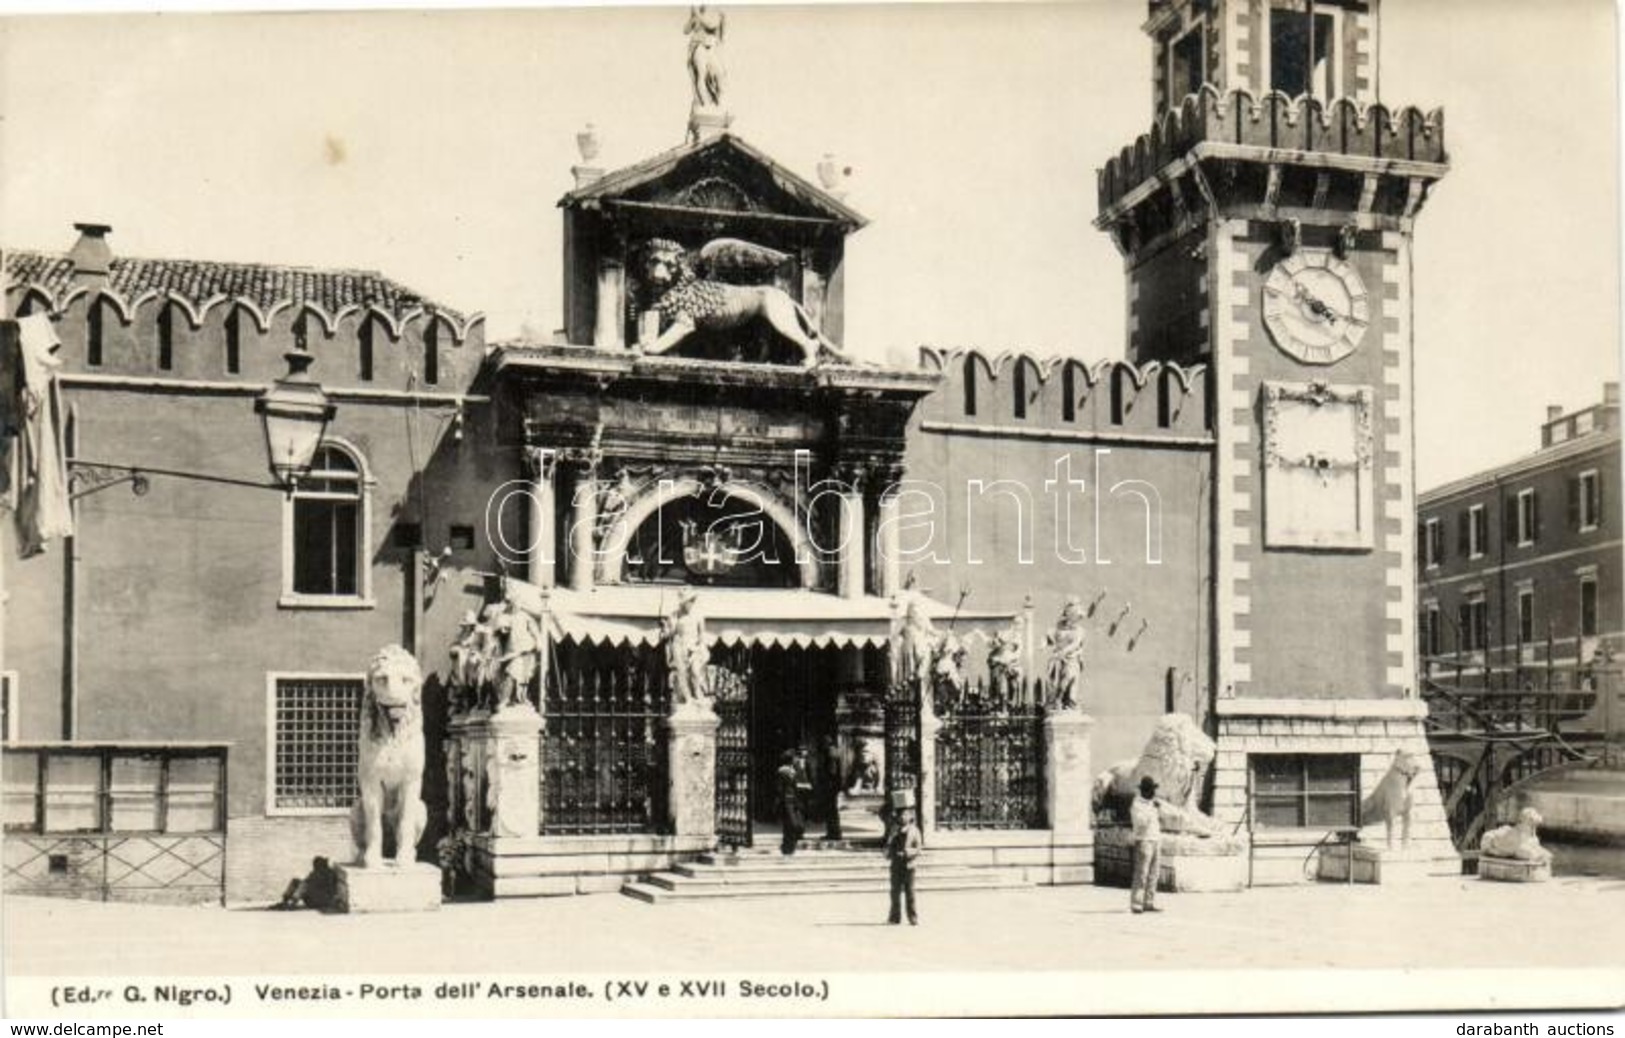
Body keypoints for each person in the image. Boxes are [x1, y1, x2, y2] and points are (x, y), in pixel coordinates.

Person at [886, 789, 922, 925]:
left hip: (909, 865)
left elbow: (918, 848)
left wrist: (907, 852)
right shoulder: (894, 830)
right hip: (895, 864)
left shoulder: (914, 831)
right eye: (900, 814)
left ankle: (913, 917)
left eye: (905, 814)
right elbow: (889, 845)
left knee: (910, 893)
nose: (902, 817)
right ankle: (894, 917)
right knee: (894, 892)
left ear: (910, 816)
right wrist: (889, 850)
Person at [1130, 775, 1163, 914]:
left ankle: (1149, 901)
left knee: (1154, 873)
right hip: (1143, 840)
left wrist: (1156, 808)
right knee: (1141, 873)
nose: (1154, 793)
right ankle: (1137, 903)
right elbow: (1141, 823)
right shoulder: (1137, 804)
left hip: (1155, 839)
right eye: (1151, 790)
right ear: (1145, 791)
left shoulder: (1152, 804)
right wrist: (1151, 809)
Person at [776, 749, 805, 855]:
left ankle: (789, 846)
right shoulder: (782, 771)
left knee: (797, 824)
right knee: (791, 824)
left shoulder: (796, 769)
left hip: (795, 799)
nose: (797, 759)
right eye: (795, 758)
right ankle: (787, 847)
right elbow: (779, 788)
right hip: (787, 800)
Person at [821, 734, 844, 840]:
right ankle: (834, 832)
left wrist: (827, 783)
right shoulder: (835, 751)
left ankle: (834, 833)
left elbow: (832, 771)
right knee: (832, 810)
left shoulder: (830, 753)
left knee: (831, 810)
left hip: (830, 786)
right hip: (834, 785)